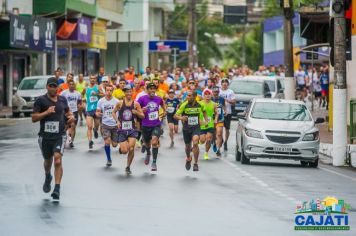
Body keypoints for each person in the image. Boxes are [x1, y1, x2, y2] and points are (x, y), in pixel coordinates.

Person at [32, 77, 75, 201]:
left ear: (58, 87)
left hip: (59, 135)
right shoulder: (41, 100)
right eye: (50, 86)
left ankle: (57, 188)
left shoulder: (62, 99)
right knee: (47, 161)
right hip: (45, 137)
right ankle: (47, 176)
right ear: (47, 87)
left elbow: (68, 112)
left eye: (55, 86)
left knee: (57, 160)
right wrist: (46, 113)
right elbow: (34, 118)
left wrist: (71, 117)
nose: (53, 88)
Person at [112, 85, 144, 174]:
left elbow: (142, 115)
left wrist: (136, 112)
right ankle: (121, 150)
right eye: (127, 92)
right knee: (125, 151)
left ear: (132, 92)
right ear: (124, 93)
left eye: (130, 91)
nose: (129, 93)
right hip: (122, 129)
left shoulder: (136, 104)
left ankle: (128, 166)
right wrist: (117, 121)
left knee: (131, 148)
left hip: (132, 129)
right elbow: (113, 112)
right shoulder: (120, 103)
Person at [174, 90, 206, 171]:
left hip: (196, 127)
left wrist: (205, 120)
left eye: (189, 95)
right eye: (187, 95)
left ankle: (195, 163)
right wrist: (181, 118)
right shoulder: (184, 105)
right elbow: (175, 116)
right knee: (188, 147)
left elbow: (204, 111)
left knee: (195, 142)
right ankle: (188, 158)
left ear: (194, 97)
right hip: (186, 128)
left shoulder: (200, 104)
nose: (187, 97)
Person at [137, 82, 166, 171]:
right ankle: (148, 153)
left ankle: (154, 162)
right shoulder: (142, 99)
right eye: (150, 89)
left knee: (154, 142)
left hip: (156, 124)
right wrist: (141, 110)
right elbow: (135, 108)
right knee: (147, 144)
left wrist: (165, 111)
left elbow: (163, 104)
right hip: (145, 125)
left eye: (154, 89)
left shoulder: (158, 99)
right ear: (147, 90)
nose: (152, 90)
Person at [96, 84, 120, 167]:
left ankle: (119, 144)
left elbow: (119, 113)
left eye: (110, 90)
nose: (109, 92)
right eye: (107, 90)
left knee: (115, 144)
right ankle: (109, 159)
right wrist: (98, 114)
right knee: (107, 142)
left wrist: (119, 122)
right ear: (105, 91)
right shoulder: (101, 101)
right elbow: (97, 111)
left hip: (114, 125)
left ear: (112, 91)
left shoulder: (116, 101)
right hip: (105, 124)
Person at [60, 79, 82, 148]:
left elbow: (79, 102)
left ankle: (71, 141)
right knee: (65, 127)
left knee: (73, 126)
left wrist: (80, 106)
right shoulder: (64, 93)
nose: (72, 86)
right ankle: (62, 139)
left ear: (74, 85)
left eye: (73, 84)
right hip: (66, 112)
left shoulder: (78, 93)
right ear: (68, 85)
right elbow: (59, 100)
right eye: (70, 84)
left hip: (74, 111)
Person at [84, 75, 103, 149]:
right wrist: (84, 101)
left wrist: (97, 94)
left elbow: (103, 95)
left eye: (94, 78)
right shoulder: (86, 88)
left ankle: (95, 130)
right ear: (89, 79)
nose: (92, 79)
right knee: (89, 127)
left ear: (95, 79)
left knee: (97, 125)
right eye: (91, 78)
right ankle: (90, 141)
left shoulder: (98, 87)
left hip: (97, 109)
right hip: (89, 109)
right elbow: (83, 95)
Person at [199, 89, 217, 160]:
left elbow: (216, 113)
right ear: (203, 95)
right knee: (202, 140)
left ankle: (206, 153)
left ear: (211, 95)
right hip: (202, 124)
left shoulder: (213, 104)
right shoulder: (200, 103)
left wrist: (215, 119)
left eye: (209, 94)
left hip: (210, 124)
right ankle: (200, 141)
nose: (207, 96)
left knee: (209, 139)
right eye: (206, 94)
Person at [219, 79, 236, 151]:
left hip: (228, 112)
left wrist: (227, 100)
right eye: (223, 84)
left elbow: (234, 102)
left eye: (226, 84)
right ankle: (221, 139)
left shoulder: (230, 92)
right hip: (220, 112)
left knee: (227, 128)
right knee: (220, 128)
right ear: (221, 85)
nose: (224, 85)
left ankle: (225, 142)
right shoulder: (219, 91)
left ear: (228, 85)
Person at [211, 86, 226, 157]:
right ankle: (214, 141)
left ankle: (218, 149)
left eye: (217, 92)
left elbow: (223, 106)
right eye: (214, 92)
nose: (216, 93)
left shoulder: (222, 99)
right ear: (212, 92)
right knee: (213, 134)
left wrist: (225, 111)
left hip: (220, 119)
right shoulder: (209, 99)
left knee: (219, 133)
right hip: (211, 120)